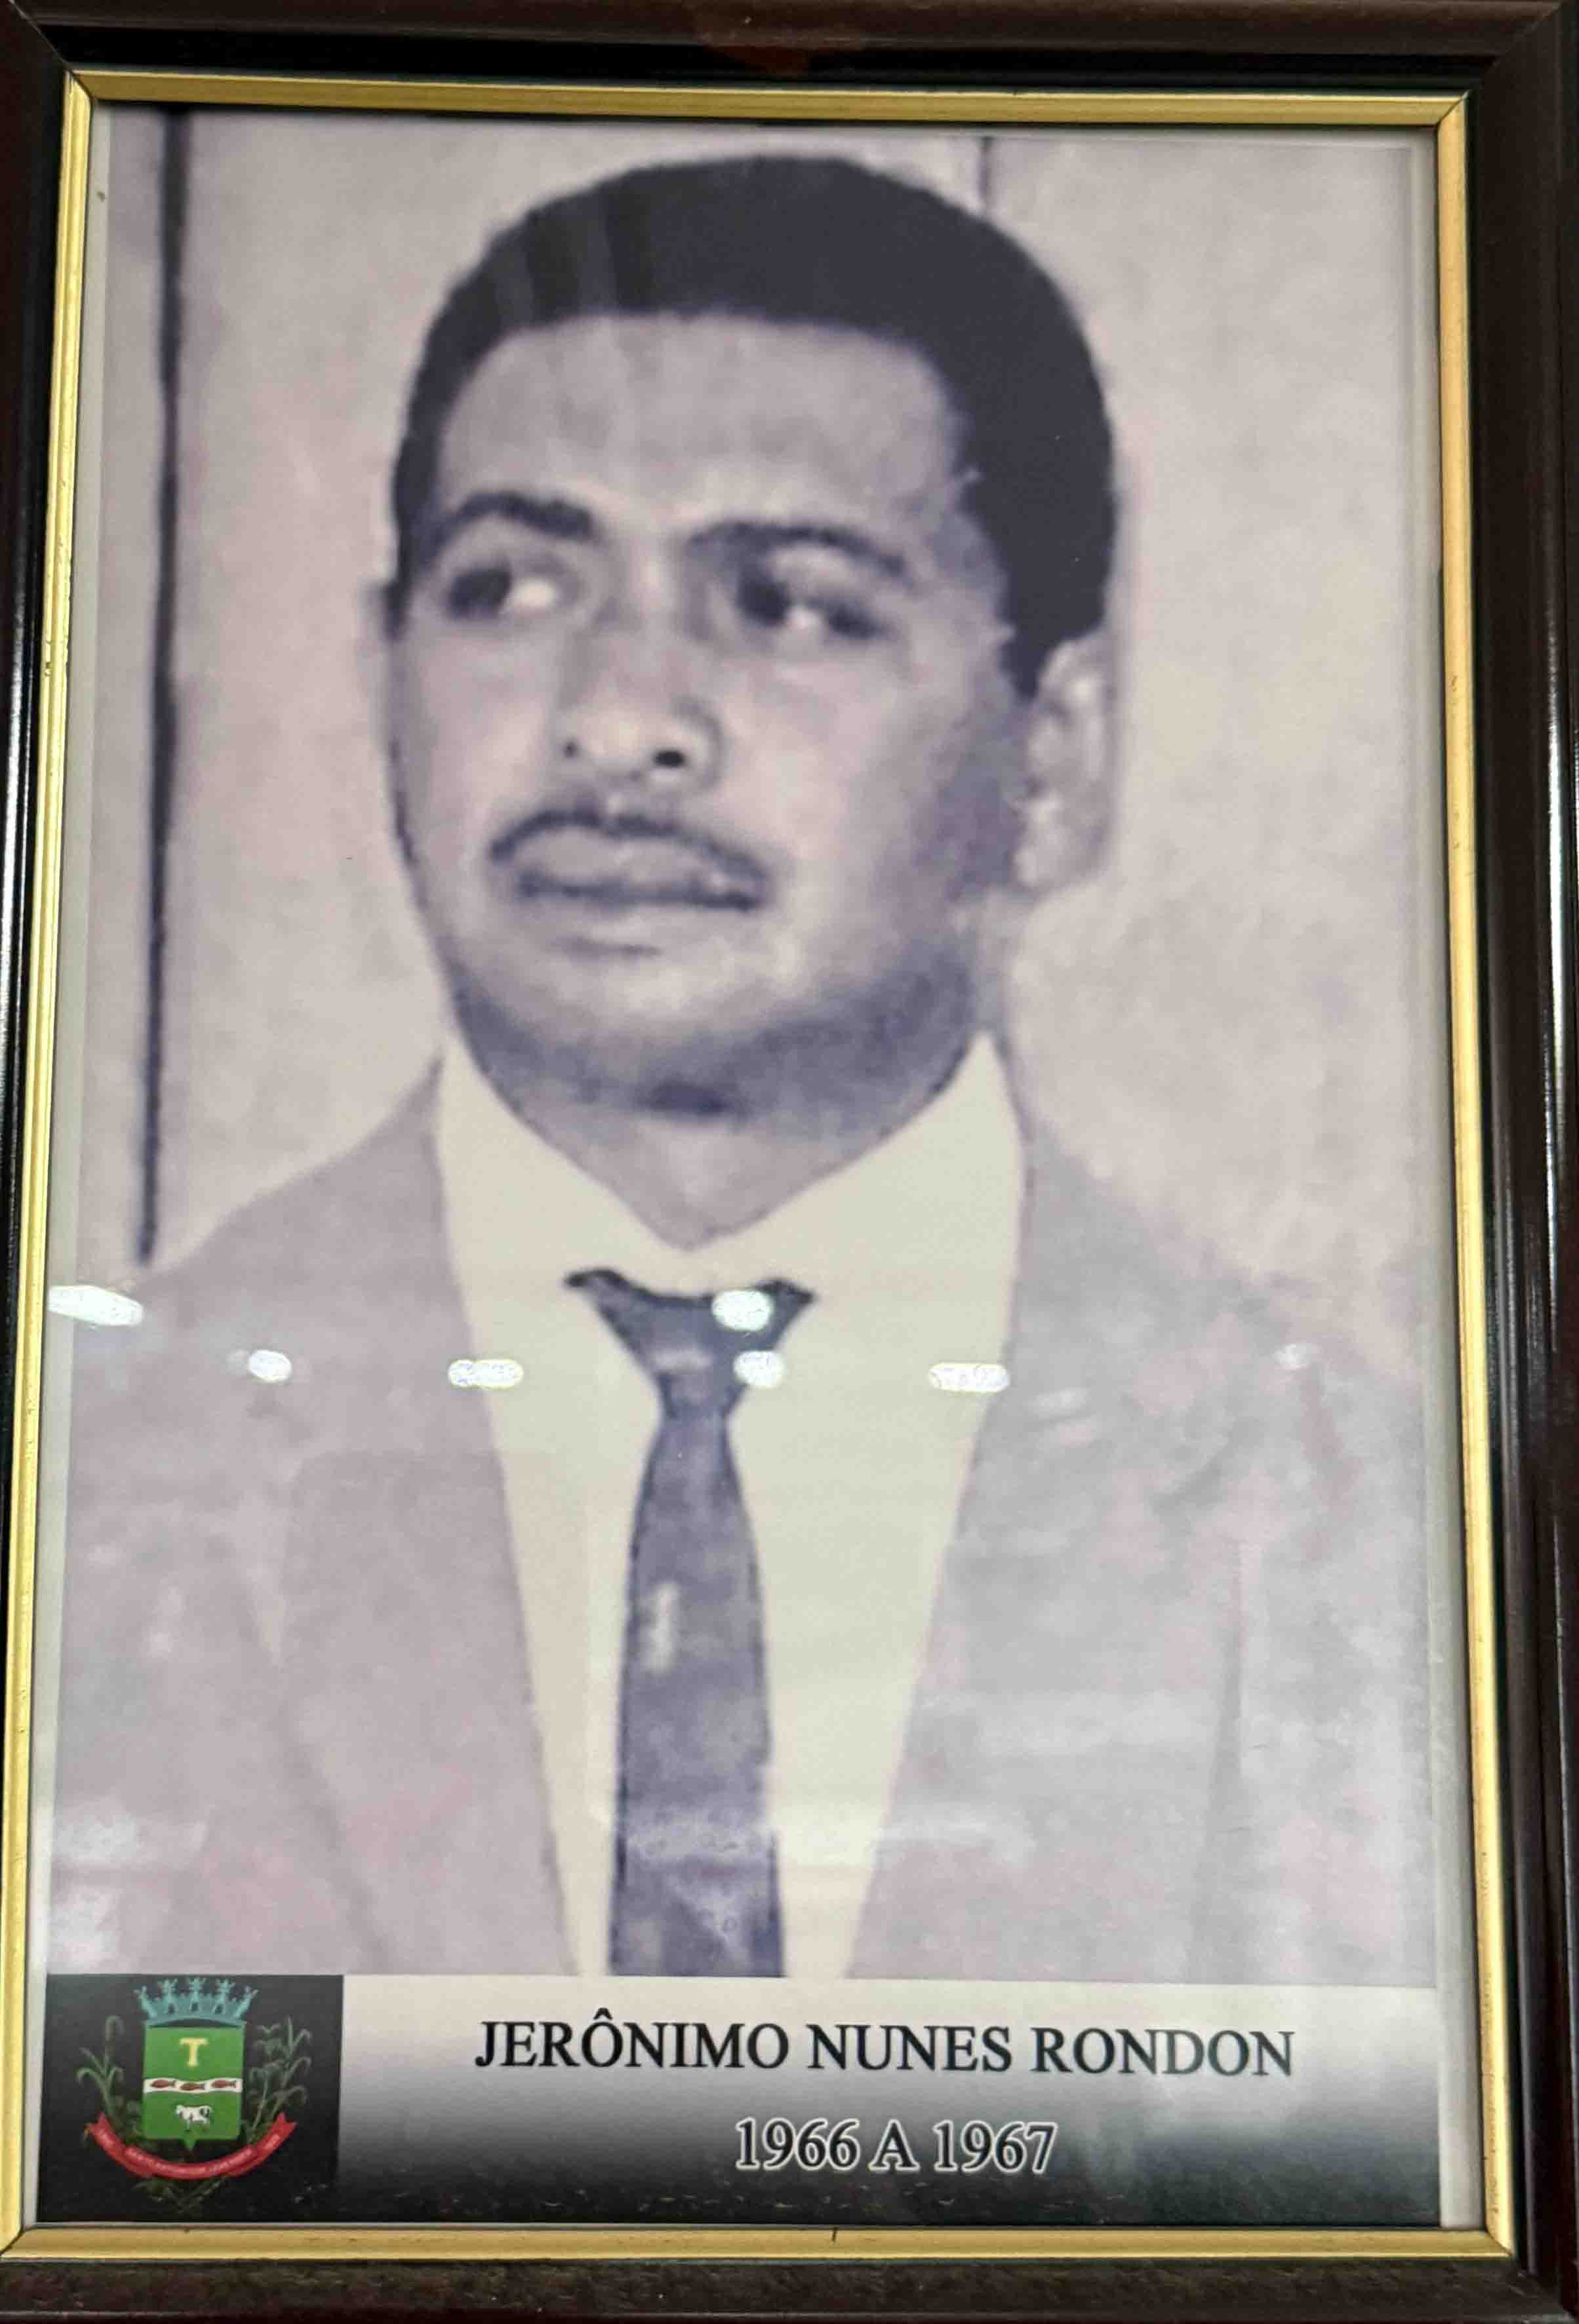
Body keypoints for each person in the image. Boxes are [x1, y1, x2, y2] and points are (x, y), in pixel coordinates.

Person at [49, 154, 1431, 1985]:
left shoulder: (1376, 1541)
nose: (618, 720)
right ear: (382, 675)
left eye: (790, 606)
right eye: (510, 587)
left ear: (1054, 757)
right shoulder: (77, 1477)